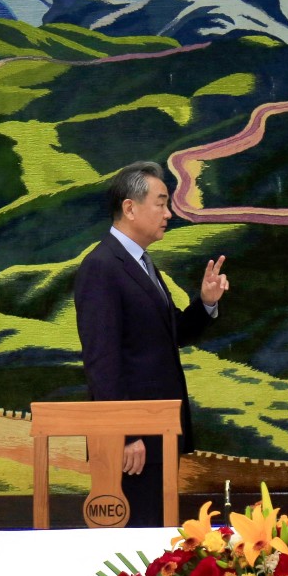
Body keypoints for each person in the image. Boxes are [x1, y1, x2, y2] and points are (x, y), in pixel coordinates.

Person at [74, 161, 229, 526]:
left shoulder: (140, 263)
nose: (168, 213)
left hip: (158, 432)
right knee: (135, 542)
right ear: (130, 208)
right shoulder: (102, 266)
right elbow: (102, 360)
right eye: (160, 203)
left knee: (157, 537)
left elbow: (168, 332)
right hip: (134, 443)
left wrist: (205, 303)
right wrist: (125, 434)